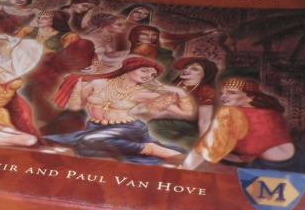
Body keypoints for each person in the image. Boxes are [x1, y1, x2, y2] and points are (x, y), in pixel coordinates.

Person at [46, 56, 196, 164]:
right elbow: (76, 106)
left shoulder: (143, 93)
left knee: (88, 141)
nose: (148, 76)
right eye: (144, 71)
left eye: (152, 75)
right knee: (85, 147)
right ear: (129, 69)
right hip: (95, 126)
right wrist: (77, 88)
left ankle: (149, 148)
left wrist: (180, 92)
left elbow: (185, 112)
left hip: (127, 128)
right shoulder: (98, 83)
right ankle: (133, 148)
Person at [181, 77, 296, 169]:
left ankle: (185, 167)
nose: (224, 97)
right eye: (222, 93)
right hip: (286, 156)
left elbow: (210, 146)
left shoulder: (231, 112)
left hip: (270, 161)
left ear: (250, 97)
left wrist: (186, 167)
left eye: (231, 93)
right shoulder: (269, 111)